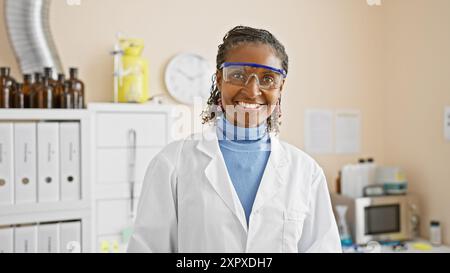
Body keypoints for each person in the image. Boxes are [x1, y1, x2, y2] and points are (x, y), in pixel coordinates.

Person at [127, 26, 342, 253]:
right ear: (219, 80)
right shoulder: (173, 163)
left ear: (280, 88)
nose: (251, 91)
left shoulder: (306, 172)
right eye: (238, 75)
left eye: (268, 78)